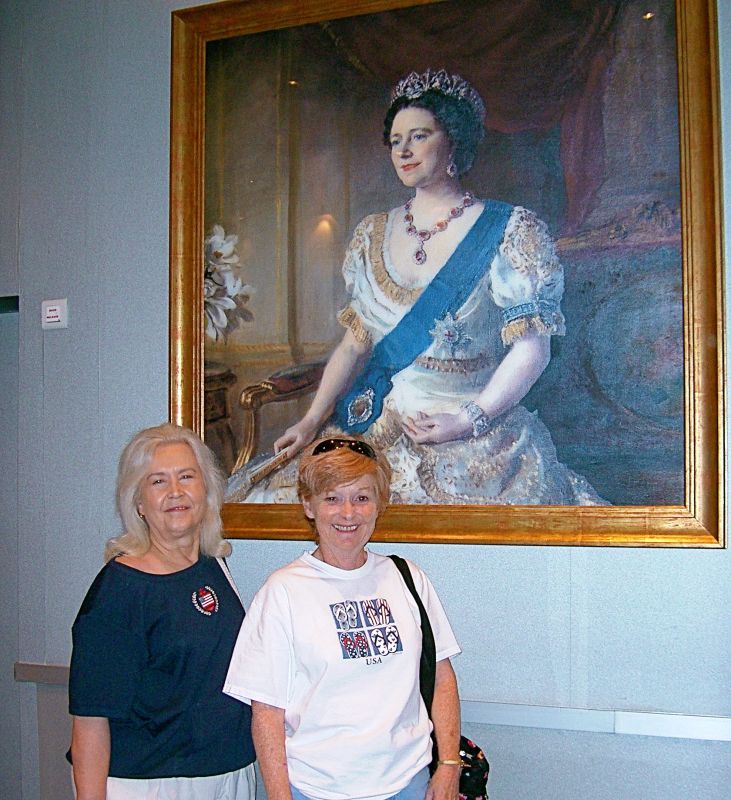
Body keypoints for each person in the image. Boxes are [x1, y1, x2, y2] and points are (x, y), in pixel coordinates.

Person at [228, 67, 605, 506]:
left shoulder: (508, 230)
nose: (404, 151)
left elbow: (532, 349)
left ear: (453, 141)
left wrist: (467, 420)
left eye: (420, 136)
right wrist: (311, 420)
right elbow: (354, 345)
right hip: (372, 423)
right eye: (395, 141)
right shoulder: (372, 233)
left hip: (470, 432)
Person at [224, 437, 462, 800]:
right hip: (317, 790)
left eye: (362, 498)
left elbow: (441, 677)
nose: (348, 513)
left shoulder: (407, 578)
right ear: (308, 504)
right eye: (332, 498)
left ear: (379, 504)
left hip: (408, 784)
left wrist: (448, 766)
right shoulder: (283, 592)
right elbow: (267, 713)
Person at [68, 423, 256, 800]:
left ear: (206, 489)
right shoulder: (120, 590)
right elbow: (90, 722)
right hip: (152, 783)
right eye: (157, 482)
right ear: (138, 502)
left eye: (187, 477)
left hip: (230, 775)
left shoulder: (213, 566)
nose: (176, 492)